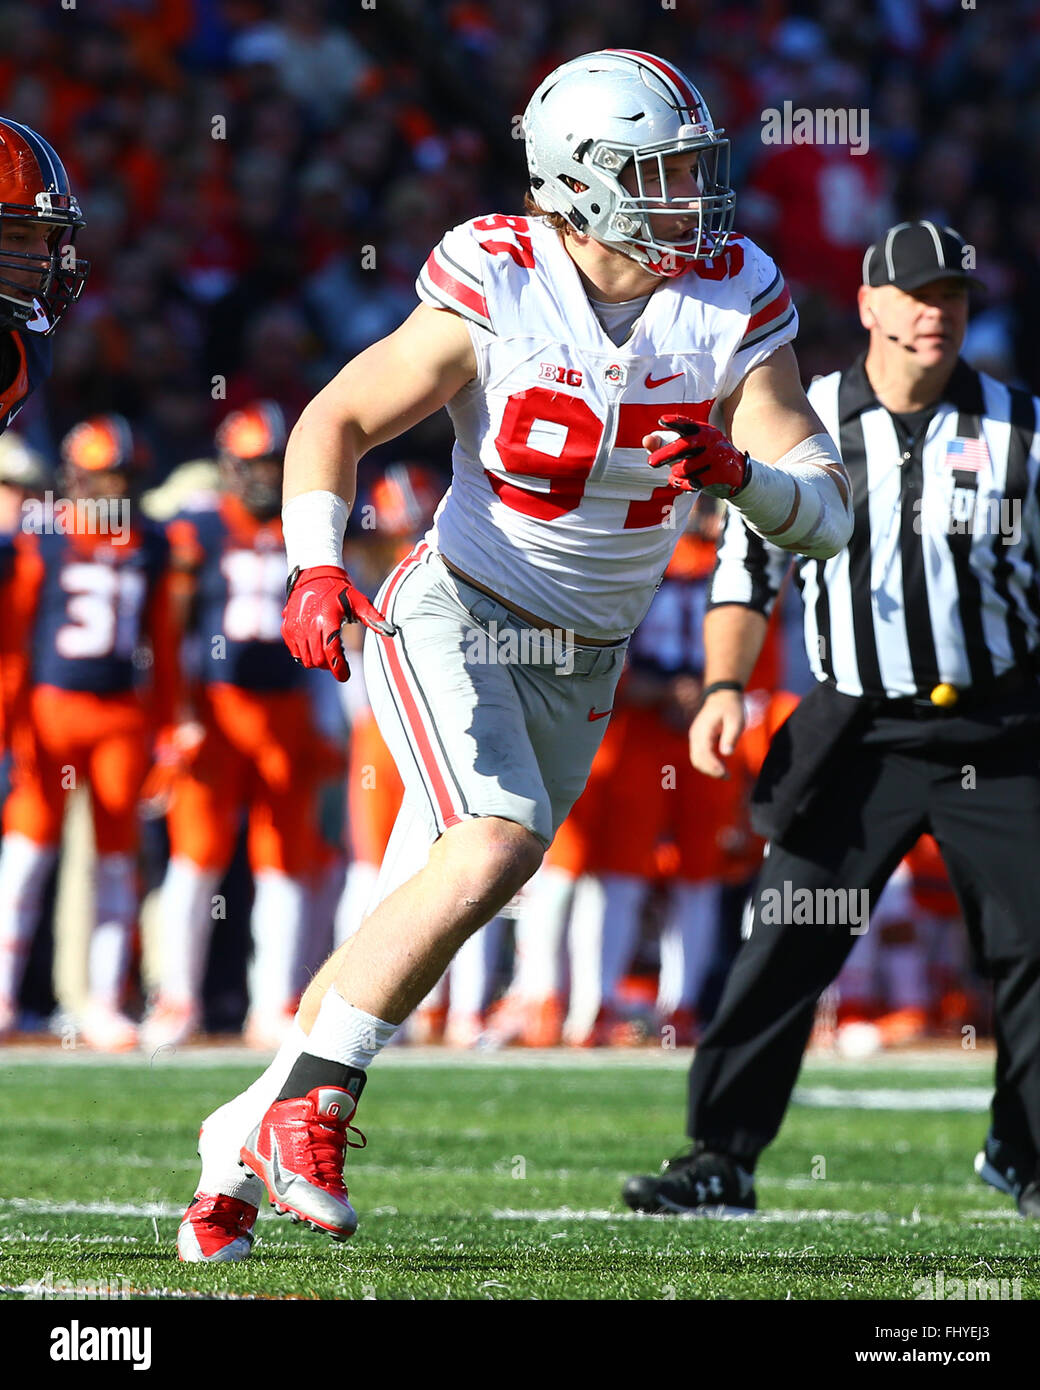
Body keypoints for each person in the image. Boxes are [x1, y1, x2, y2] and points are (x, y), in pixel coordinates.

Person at [175, 48, 852, 1263]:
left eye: (693, 167)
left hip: (586, 656)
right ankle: (312, 1109)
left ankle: (243, 1125)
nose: (690, 195)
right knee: (494, 842)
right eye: (659, 172)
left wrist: (746, 481)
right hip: (458, 610)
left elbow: (826, 501)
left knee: (417, 904)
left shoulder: (729, 293)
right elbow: (336, 417)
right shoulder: (499, 273)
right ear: (581, 181)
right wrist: (316, 564)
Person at [624, 220, 1040, 1220]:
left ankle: (1021, 1150)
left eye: (950, 297)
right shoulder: (800, 421)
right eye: (913, 294)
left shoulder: (1020, 426)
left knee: (1032, 939)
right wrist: (723, 688)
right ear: (865, 303)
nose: (934, 313)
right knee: (785, 935)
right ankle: (718, 1154)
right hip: (858, 728)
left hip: (1000, 723)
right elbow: (744, 571)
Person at [141, 402, 331, 1052]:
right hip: (217, 709)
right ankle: (176, 998)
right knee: (196, 859)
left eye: (271, 465)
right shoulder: (196, 529)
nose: (261, 478)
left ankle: (272, 1001)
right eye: (251, 465)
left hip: (286, 706)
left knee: (283, 861)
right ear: (227, 466)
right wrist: (179, 713)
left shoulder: (306, 522)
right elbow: (171, 628)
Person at [0, 416, 173, 1049]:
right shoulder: (39, 538)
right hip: (51, 706)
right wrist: (9, 718)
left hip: (121, 714)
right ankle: (5, 992)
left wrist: (169, 727)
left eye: (120, 479)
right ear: (75, 480)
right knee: (26, 854)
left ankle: (102, 1000)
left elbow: (166, 647)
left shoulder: (151, 542)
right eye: (101, 478)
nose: (109, 492)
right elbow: (16, 639)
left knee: (115, 860)